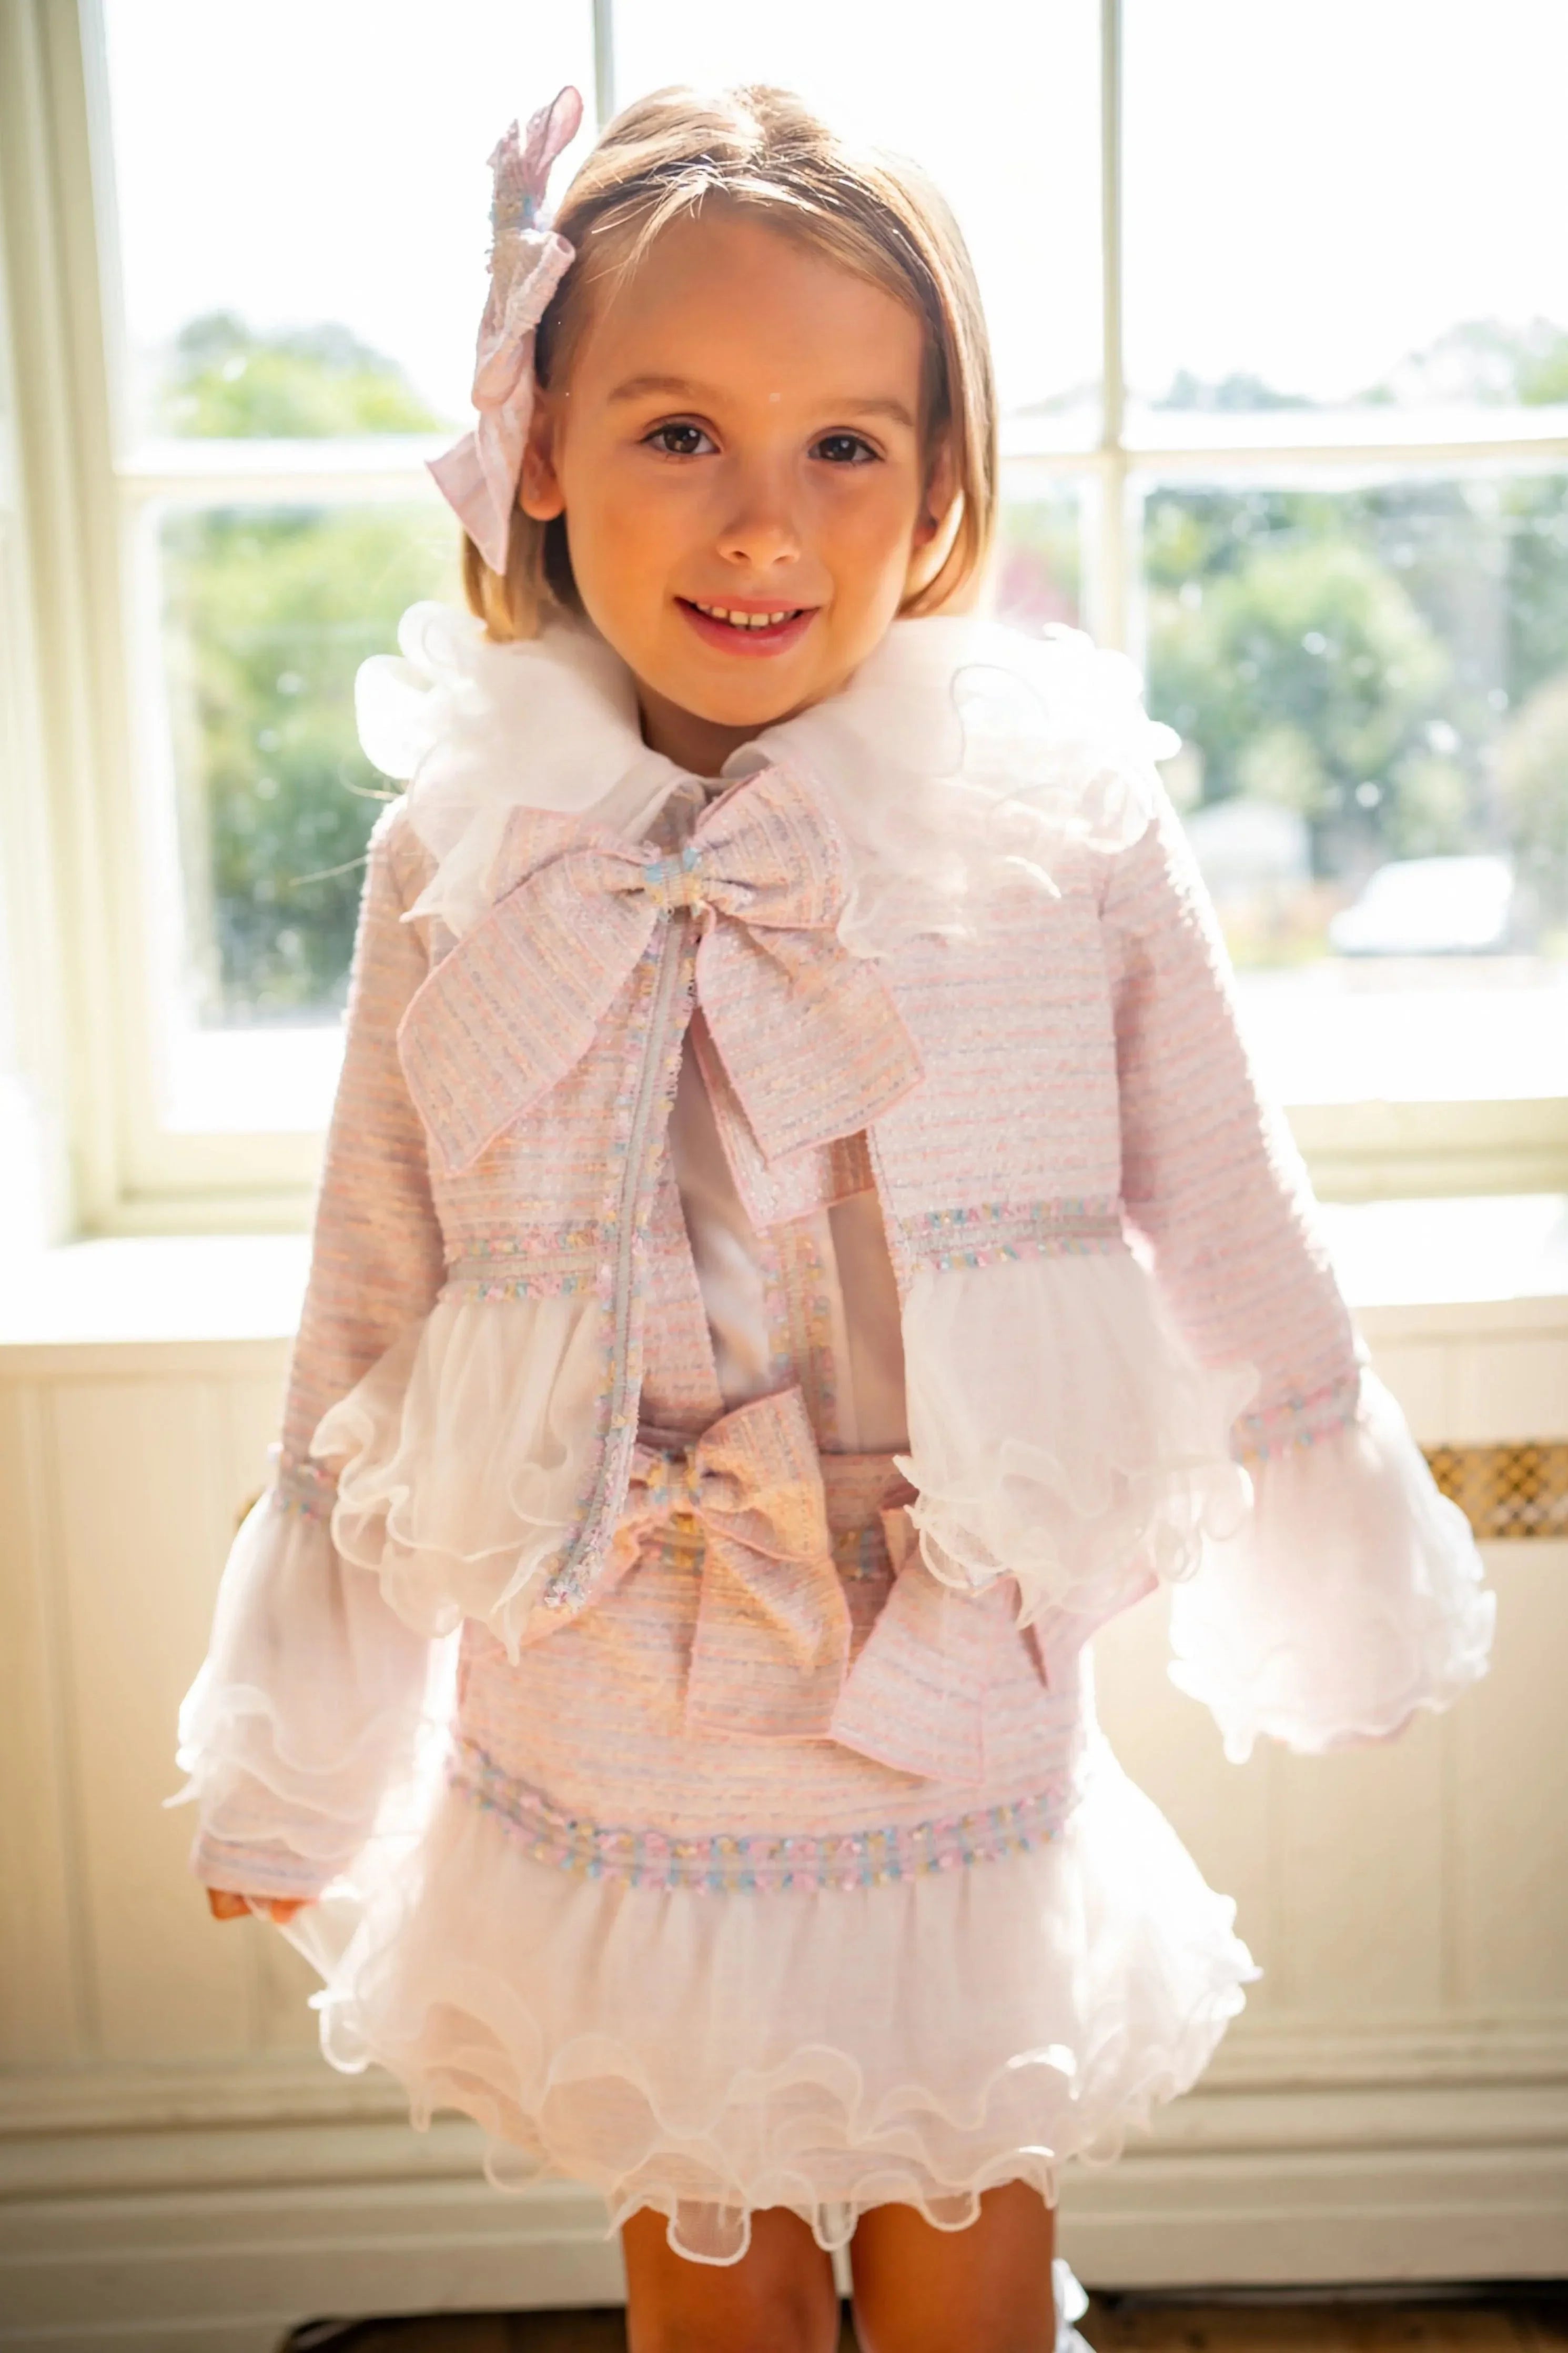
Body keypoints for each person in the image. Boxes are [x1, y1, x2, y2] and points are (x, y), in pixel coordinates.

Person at [177, 81, 1496, 2353]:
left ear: (941, 479)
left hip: (939, 1670)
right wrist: (304, 1730)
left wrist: (1322, 1541)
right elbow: (370, 1281)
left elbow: (1223, 1180)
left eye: (844, 447)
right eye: (678, 429)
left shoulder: (1046, 831)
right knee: (709, 2263)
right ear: (541, 445)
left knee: (958, 2235)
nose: (760, 523)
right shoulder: (464, 855)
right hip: (603, 1682)